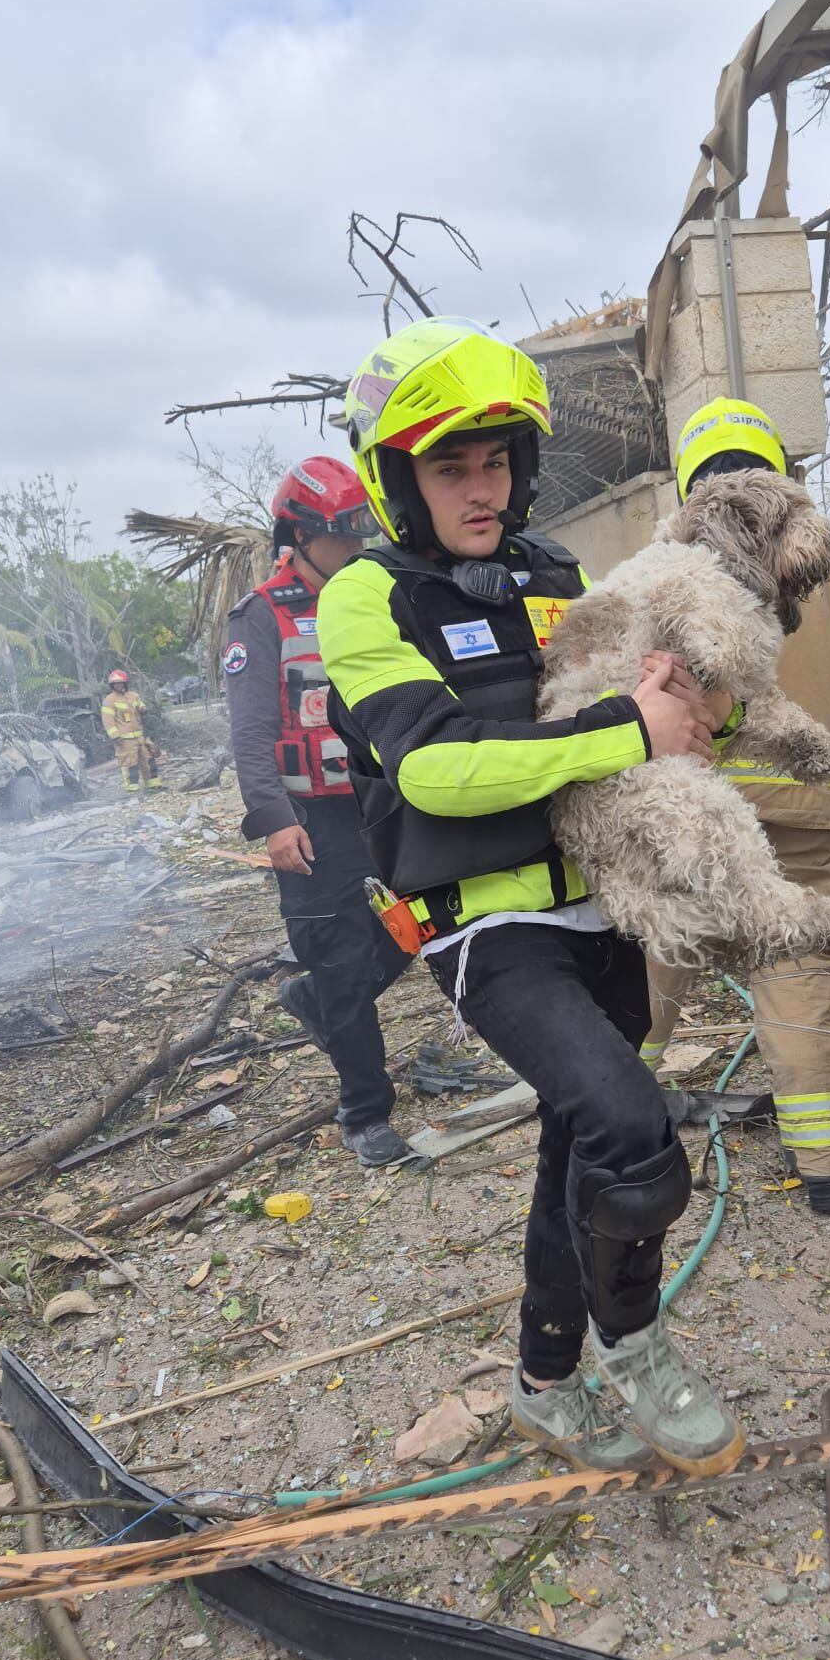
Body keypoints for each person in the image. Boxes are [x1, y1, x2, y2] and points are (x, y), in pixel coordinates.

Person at [319, 316, 745, 1477]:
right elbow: (433, 764)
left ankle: (543, 1378)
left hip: (599, 903)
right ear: (393, 472)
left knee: (575, 1142)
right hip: (485, 922)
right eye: (451, 464)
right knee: (628, 1123)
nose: (482, 486)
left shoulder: (555, 574)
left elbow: (655, 712)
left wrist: (693, 707)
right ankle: (637, 1341)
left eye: (498, 459)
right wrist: (624, 729)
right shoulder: (366, 598)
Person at [638, 398, 830, 1212]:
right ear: (783, 474)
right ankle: (825, 1170)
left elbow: (635, 689)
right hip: (812, 804)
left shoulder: (667, 565)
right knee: (797, 975)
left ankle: (610, 1123)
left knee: (655, 961)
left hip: (698, 806)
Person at [221, 457, 416, 1169]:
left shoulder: (374, 597)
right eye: (338, 533)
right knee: (339, 958)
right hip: (308, 815)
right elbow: (248, 734)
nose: (353, 545)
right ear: (297, 534)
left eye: (359, 529)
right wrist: (272, 818)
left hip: (380, 799)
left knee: (420, 921)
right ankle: (365, 1113)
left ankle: (318, 999)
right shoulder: (261, 617)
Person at [100, 669, 162, 791]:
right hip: (124, 740)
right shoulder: (109, 700)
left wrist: (143, 709)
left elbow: (140, 706)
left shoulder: (133, 696)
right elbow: (108, 721)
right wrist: (115, 737)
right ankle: (132, 788)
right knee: (129, 764)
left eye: (121, 683)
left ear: (125, 683)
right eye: (116, 683)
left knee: (148, 760)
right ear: (112, 685)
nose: (118, 685)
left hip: (140, 737)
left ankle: (153, 784)